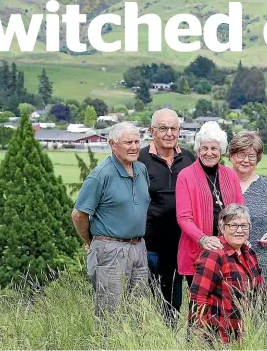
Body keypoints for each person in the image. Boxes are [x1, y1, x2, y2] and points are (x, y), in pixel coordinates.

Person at [71, 122, 151, 317]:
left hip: (138, 248)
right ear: (113, 144)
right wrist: (91, 241)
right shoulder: (101, 174)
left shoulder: (141, 170)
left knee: (138, 313)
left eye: (136, 141)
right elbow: (78, 214)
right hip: (110, 249)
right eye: (128, 142)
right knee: (110, 314)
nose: (134, 147)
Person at [138, 108, 196, 321]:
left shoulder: (190, 158)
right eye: (163, 128)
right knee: (147, 302)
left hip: (181, 245)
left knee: (174, 302)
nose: (169, 133)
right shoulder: (140, 159)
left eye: (174, 128)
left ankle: (168, 339)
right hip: (148, 245)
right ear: (151, 131)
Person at [176, 121, 244, 287]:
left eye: (214, 148)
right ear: (198, 150)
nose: (209, 153)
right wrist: (203, 239)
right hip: (198, 250)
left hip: (228, 250)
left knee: (227, 303)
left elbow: (241, 211)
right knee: (201, 306)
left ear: (220, 151)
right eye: (204, 148)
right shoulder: (185, 176)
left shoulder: (231, 175)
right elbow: (184, 218)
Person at [189, 204, 266, 343]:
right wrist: (198, 336)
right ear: (222, 228)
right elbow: (198, 297)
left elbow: (261, 291)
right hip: (219, 337)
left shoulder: (249, 253)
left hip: (246, 335)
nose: (239, 230)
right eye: (233, 225)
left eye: (244, 226)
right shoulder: (214, 254)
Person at [228, 131, 267, 290]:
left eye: (251, 156)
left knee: (259, 309)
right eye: (241, 154)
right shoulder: (221, 184)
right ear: (232, 156)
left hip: (263, 262)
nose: (246, 160)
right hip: (227, 261)